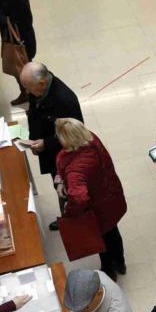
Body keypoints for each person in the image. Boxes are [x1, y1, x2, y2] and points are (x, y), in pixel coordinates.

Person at [54, 118, 127, 280]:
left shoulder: (75, 168)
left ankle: (109, 271)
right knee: (113, 232)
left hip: (96, 210)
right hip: (110, 197)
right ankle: (120, 263)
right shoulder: (92, 139)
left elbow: (79, 198)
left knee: (101, 240)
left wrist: (69, 211)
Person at [20, 62, 83, 227]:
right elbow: (34, 114)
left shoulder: (65, 100)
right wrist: (34, 138)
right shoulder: (40, 90)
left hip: (66, 157)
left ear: (41, 83)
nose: (26, 91)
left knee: (67, 189)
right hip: (53, 155)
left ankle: (73, 223)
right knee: (59, 186)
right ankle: (68, 217)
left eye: (28, 87)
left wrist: (46, 144)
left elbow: (75, 135)